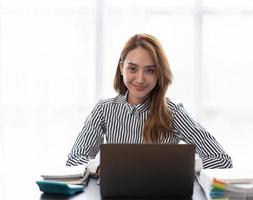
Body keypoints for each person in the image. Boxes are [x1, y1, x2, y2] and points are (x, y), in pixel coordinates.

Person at [66, 33, 232, 169]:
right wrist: (99, 168)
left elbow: (221, 159)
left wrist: (181, 166)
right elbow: (75, 159)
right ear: (121, 68)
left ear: (159, 74)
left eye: (149, 70)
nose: (140, 79)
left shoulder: (172, 113)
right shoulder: (104, 110)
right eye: (132, 68)